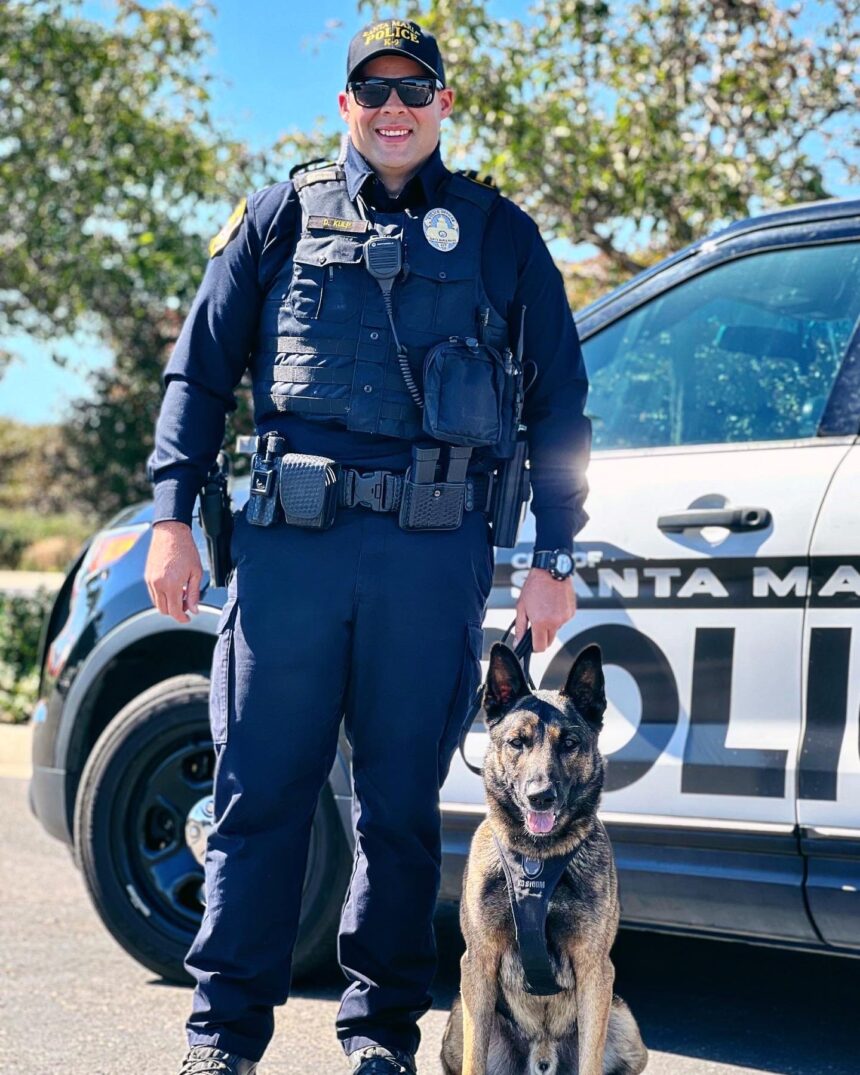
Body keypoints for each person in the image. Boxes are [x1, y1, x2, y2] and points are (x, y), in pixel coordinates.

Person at [145, 18, 590, 1075]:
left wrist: (554, 553)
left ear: (442, 104)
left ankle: (378, 1036)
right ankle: (221, 1040)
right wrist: (170, 515)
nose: (393, 108)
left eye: (414, 89)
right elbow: (197, 374)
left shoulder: (499, 234)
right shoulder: (274, 219)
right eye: (371, 90)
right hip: (291, 556)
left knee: (397, 814)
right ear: (344, 105)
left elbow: (559, 400)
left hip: (427, 561)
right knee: (261, 803)